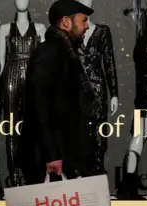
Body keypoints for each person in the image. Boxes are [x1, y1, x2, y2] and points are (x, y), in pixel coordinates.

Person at [17, 0, 96, 187]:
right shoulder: (50, 51)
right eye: (84, 20)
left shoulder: (66, 52)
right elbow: (39, 104)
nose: (87, 26)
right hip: (52, 162)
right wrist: (51, 154)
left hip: (64, 157)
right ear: (67, 22)